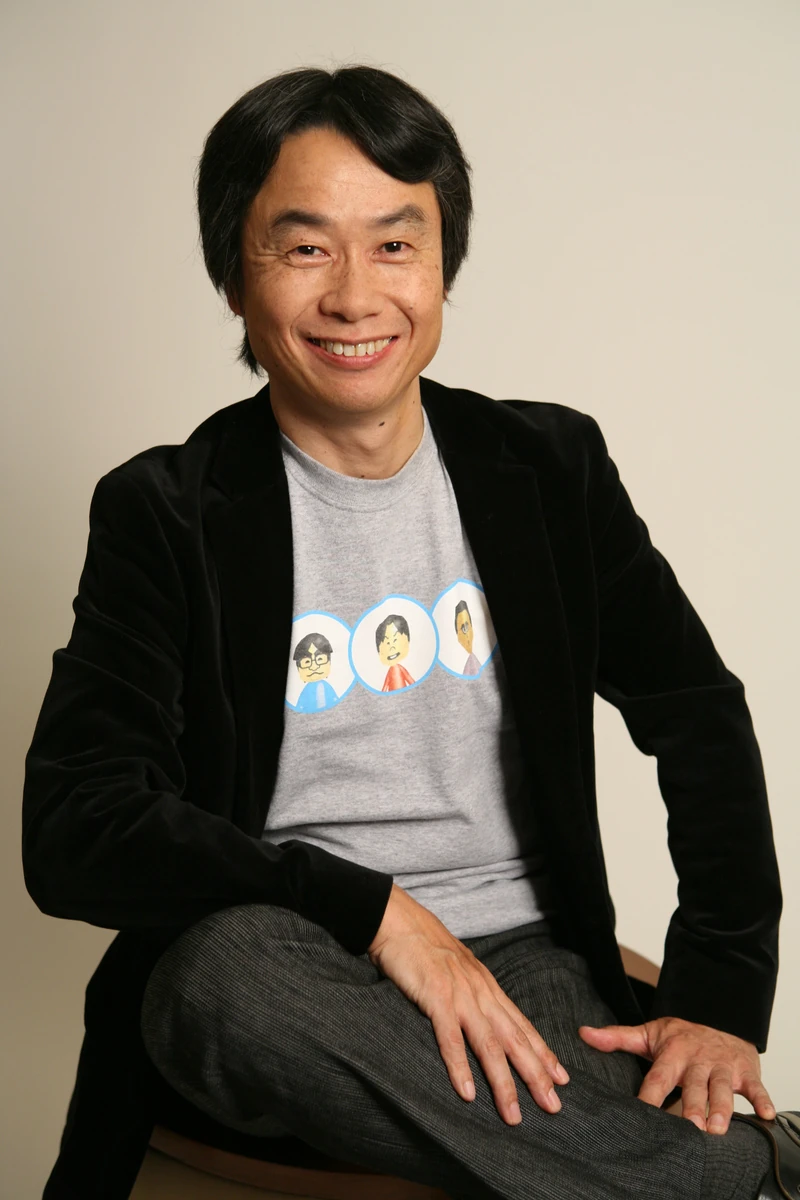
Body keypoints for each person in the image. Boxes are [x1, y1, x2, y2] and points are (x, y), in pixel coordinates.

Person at [21, 65, 797, 1200]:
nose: (354, 296)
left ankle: (727, 1178)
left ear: (442, 267)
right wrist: (378, 914)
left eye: (394, 244)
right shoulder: (166, 512)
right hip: (294, 965)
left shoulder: (547, 469)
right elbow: (75, 827)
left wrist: (720, 997)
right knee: (215, 978)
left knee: (567, 1055)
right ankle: (752, 1177)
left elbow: (696, 712)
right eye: (304, 247)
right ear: (234, 275)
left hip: (525, 956)